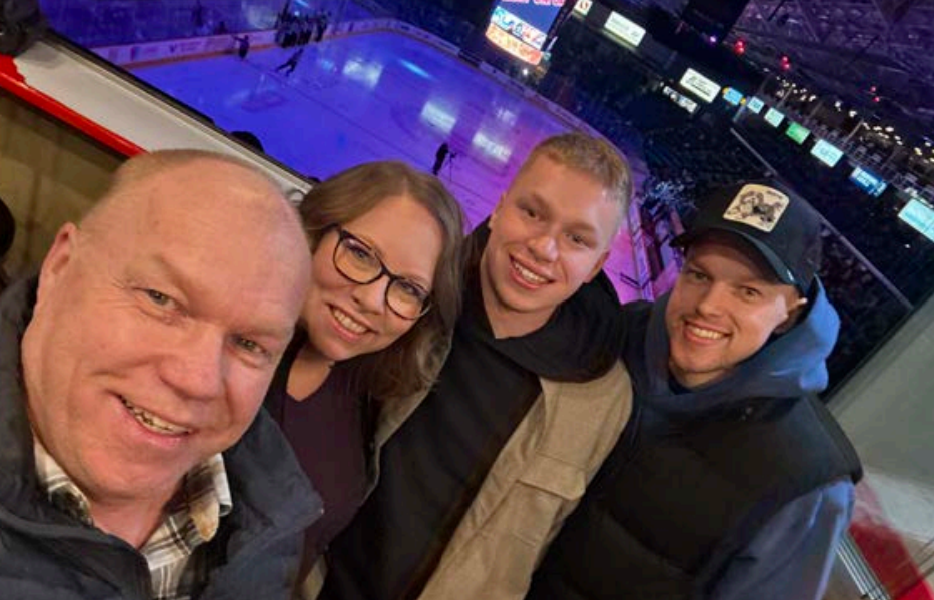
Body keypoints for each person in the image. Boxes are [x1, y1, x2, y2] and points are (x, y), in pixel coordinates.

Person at [318, 132, 635, 600]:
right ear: (501, 205)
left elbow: (550, 552)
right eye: (532, 212)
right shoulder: (408, 300)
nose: (543, 248)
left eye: (576, 238)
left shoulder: (605, 399)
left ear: (597, 264)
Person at [0, 150, 322, 599]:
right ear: (61, 265)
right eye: (160, 299)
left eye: (250, 344)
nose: (197, 379)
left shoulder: (269, 519)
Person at [527, 181, 862, 600]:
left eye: (748, 291)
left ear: (789, 312)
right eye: (700, 274)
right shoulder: (620, 335)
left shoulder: (805, 480)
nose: (708, 305)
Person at [263, 161, 465, 585]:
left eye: (409, 289)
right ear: (316, 231)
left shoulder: (369, 397)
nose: (374, 299)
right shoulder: (221, 345)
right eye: (360, 254)